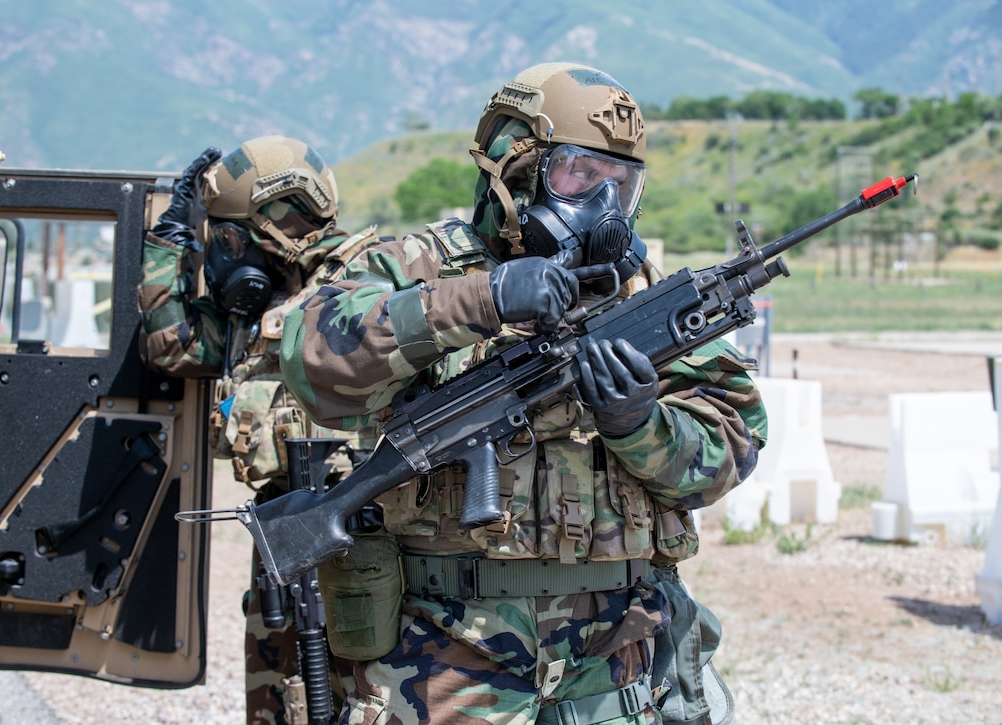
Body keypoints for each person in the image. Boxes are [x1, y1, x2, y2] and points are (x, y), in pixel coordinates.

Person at [280, 62, 768, 725]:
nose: (602, 204)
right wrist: (481, 299)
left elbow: (733, 440)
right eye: (579, 173)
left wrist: (640, 423)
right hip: (445, 654)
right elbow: (314, 361)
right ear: (517, 167)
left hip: (614, 655)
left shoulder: (643, 296)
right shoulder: (420, 267)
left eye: (620, 185)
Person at [136, 135, 380, 725]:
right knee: (280, 708)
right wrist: (170, 239)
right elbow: (171, 346)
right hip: (282, 544)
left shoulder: (363, 294)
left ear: (272, 229)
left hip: (364, 549)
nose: (221, 256)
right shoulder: (255, 311)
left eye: (226, 239)